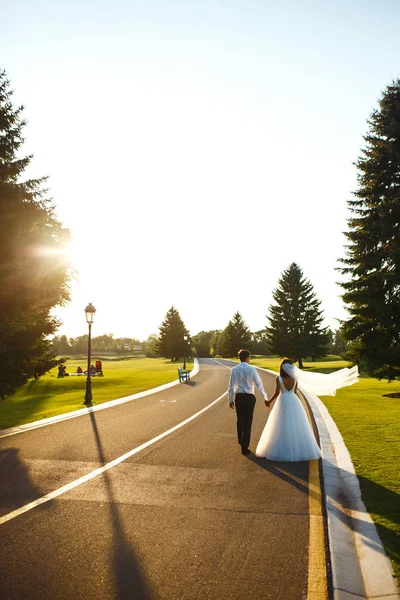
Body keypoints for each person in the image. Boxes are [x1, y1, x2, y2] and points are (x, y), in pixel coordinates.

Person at [256, 358, 359, 461]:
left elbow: (277, 393)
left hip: (283, 401)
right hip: (294, 401)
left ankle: (283, 448)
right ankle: (298, 449)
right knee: (296, 425)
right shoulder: (295, 379)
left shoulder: (279, 378)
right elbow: (295, 392)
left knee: (281, 425)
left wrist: (268, 402)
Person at [228, 349, 268, 455]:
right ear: (247, 357)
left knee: (239, 420)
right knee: (248, 421)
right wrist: (265, 398)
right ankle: (245, 446)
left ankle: (241, 440)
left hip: (239, 397)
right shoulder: (252, 369)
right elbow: (259, 384)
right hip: (249, 397)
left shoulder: (234, 369)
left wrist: (230, 399)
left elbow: (231, 386)